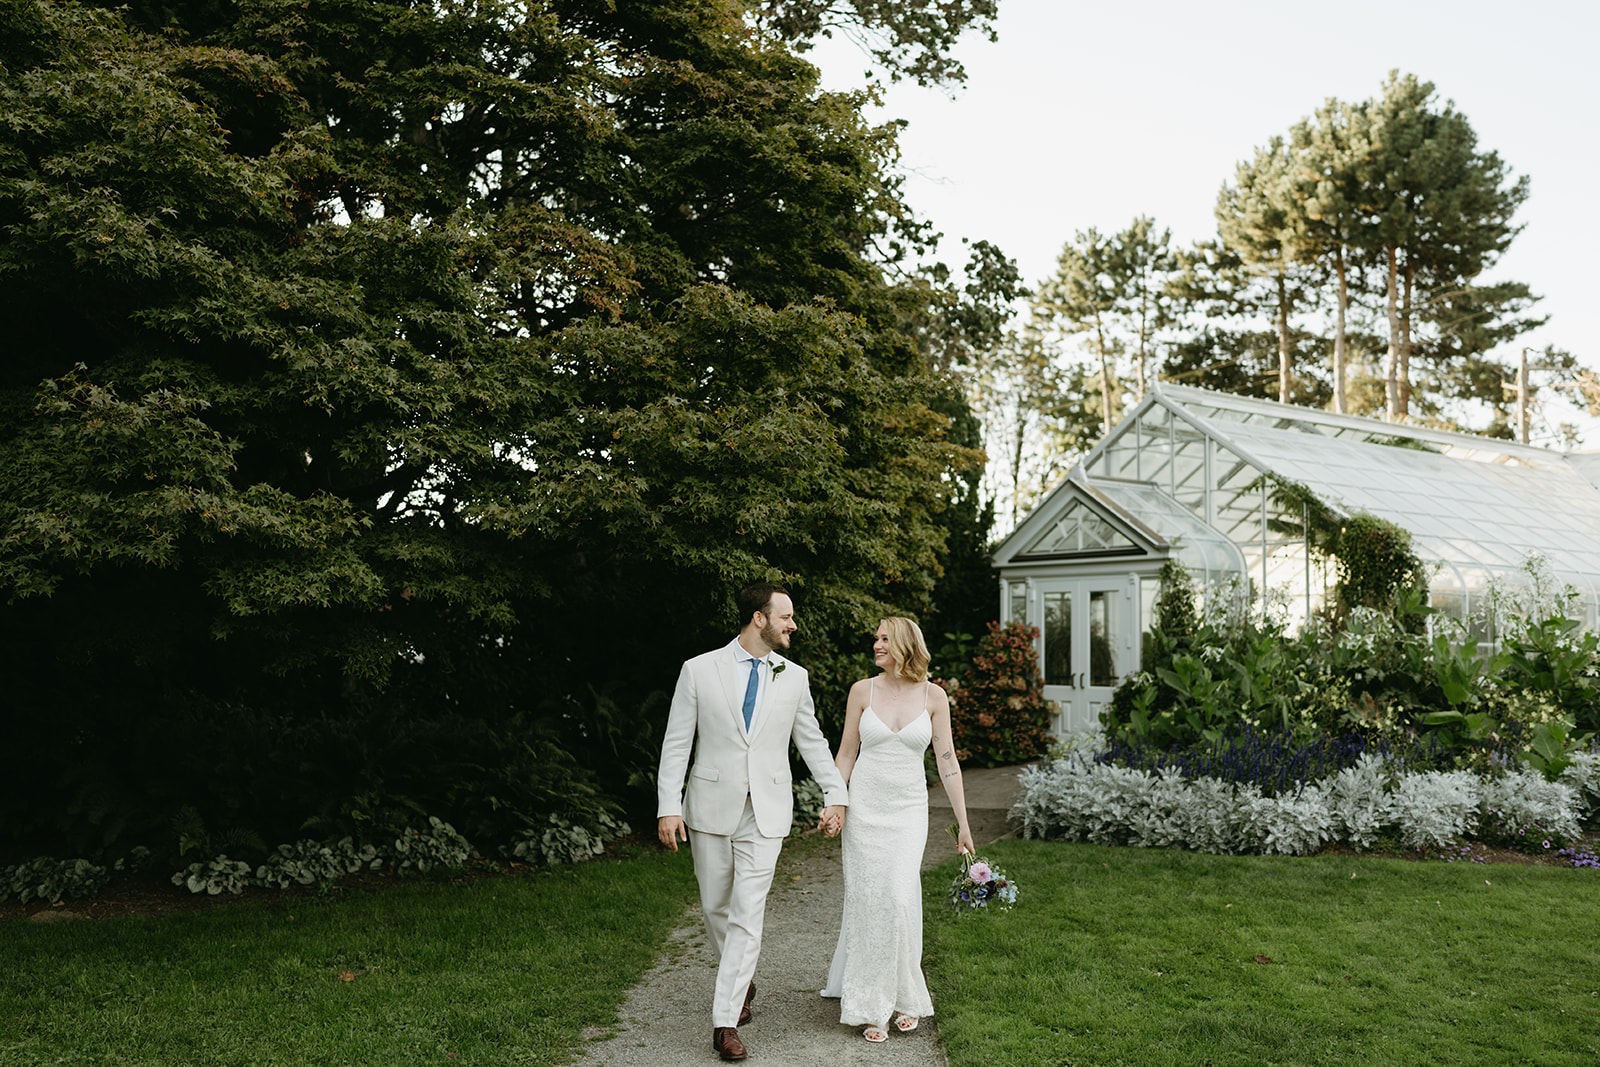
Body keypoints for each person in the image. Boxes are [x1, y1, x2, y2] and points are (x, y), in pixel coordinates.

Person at [657, 582, 850, 1063]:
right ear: (758, 619)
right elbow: (677, 742)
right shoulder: (699, 670)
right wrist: (668, 804)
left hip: (766, 812)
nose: (793, 624)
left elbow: (812, 741)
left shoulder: (794, 676)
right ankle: (741, 980)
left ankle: (724, 1022)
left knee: (747, 913)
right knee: (715, 907)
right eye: (785, 616)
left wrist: (836, 793)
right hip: (709, 806)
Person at [821, 616, 975, 1043]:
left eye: (884, 638)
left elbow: (947, 762)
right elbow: (846, 754)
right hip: (866, 810)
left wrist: (963, 824)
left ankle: (905, 997)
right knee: (870, 900)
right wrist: (836, 802)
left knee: (899, 898)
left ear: (905, 643)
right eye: (875, 638)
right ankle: (872, 1006)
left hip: (908, 811)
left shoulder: (934, 696)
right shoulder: (861, 691)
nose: (876, 644)